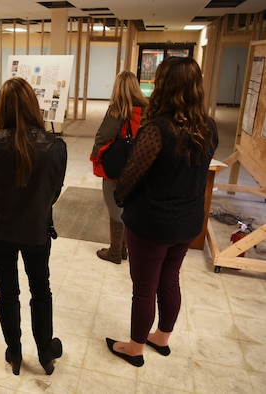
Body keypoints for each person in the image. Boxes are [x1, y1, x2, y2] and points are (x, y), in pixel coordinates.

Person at [106, 57, 218, 367]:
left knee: (144, 288)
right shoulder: (208, 127)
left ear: (164, 86)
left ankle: (135, 348)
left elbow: (131, 175)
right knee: (170, 279)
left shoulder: (157, 129)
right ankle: (162, 337)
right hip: (188, 220)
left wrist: (121, 198)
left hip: (151, 223)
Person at [0, 78, 67, 375]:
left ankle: (14, 351)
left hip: (0, 230)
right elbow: (53, 194)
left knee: (7, 290)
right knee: (41, 287)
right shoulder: (55, 147)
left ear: (0, 107)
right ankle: (45, 350)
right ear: (33, 104)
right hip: (36, 229)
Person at [90, 71, 148, 264]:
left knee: (115, 210)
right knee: (131, 208)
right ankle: (124, 249)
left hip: (117, 170)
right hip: (140, 168)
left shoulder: (117, 110)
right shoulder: (148, 110)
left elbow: (102, 137)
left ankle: (115, 252)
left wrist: (95, 158)